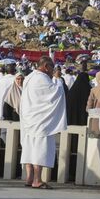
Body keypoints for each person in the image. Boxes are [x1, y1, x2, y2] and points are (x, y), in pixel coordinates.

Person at [20, 56, 67, 189]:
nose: (53, 70)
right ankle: (37, 179)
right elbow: (55, 94)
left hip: (29, 119)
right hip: (41, 121)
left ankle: (29, 178)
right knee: (39, 150)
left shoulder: (30, 77)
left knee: (29, 149)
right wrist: (58, 79)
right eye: (52, 67)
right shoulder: (42, 79)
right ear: (46, 66)